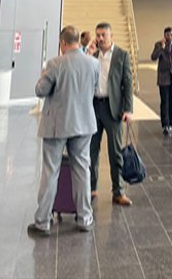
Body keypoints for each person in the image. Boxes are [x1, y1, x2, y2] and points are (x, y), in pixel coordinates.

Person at [28, 26, 100, 237]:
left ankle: (43, 221)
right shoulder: (93, 63)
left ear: (62, 43)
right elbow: (94, 89)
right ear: (78, 40)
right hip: (84, 124)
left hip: (57, 125)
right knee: (82, 170)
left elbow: (40, 90)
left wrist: (43, 76)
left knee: (50, 171)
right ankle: (85, 217)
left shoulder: (55, 64)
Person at [90, 22, 134, 207]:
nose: (100, 38)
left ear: (111, 36)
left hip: (113, 109)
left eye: (103, 35)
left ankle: (118, 191)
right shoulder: (93, 56)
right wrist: (88, 53)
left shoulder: (122, 55)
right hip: (94, 107)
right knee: (92, 151)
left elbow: (128, 83)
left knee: (115, 152)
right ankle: (91, 188)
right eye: (98, 35)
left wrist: (128, 109)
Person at [151, 27, 172, 136]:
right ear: (164, 35)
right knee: (164, 101)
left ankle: (171, 123)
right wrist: (161, 47)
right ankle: (165, 124)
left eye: (171, 34)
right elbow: (153, 57)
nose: (169, 36)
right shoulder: (158, 44)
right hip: (164, 77)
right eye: (167, 35)